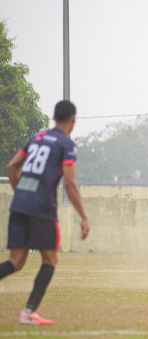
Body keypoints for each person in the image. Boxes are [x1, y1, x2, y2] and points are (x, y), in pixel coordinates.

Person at [0, 100, 90, 325]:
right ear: (73, 120)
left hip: (20, 204)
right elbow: (70, 184)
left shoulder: (38, 138)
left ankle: (29, 312)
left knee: (17, 260)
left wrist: (21, 192)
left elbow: (11, 166)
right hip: (41, 208)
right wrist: (84, 217)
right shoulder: (66, 144)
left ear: (54, 117)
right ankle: (29, 312)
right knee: (49, 258)